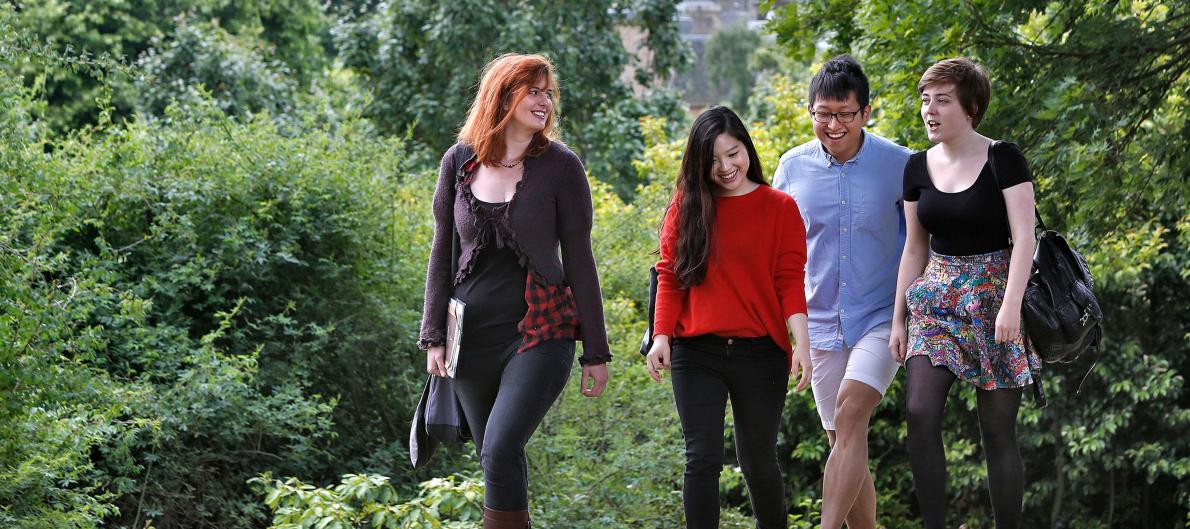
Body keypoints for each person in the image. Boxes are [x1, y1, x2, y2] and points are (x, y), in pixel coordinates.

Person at [417, 53, 611, 529]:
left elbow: (580, 261)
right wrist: (432, 336)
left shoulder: (562, 167)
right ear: (503, 94)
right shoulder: (458, 161)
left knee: (501, 445)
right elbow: (442, 252)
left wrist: (596, 352)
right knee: (496, 460)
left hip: (541, 334)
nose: (545, 102)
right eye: (534, 91)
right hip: (471, 338)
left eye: (549, 94)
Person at [889, 57, 1041, 529]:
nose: (929, 110)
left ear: (971, 106)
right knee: (919, 411)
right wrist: (899, 319)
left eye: (942, 100)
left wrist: (1012, 305)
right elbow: (915, 249)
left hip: (996, 299)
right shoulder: (916, 167)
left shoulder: (1004, 157)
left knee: (997, 430)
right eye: (925, 100)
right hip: (935, 302)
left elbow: (1025, 238)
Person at [646, 106, 812, 529]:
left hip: (762, 353)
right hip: (696, 350)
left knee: (757, 460)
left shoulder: (780, 207)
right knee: (701, 459)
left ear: (747, 149)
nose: (725, 168)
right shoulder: (686, 205)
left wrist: (802, 346)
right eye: (713, 160)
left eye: (733, 154)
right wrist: (661, 335)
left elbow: (790, 281)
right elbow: (670, 275)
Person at [772, 54, 912, 529]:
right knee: (842, 441)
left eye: (844, 114)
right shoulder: (792, 168)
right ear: (810, 110)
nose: (833, 125)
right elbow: (777, 250)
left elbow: (923, 242)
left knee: (852, 412)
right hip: (819, 322)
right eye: (822, 114)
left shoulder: (900, 165)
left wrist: (907, 314)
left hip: (881, 316)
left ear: (865, 113)